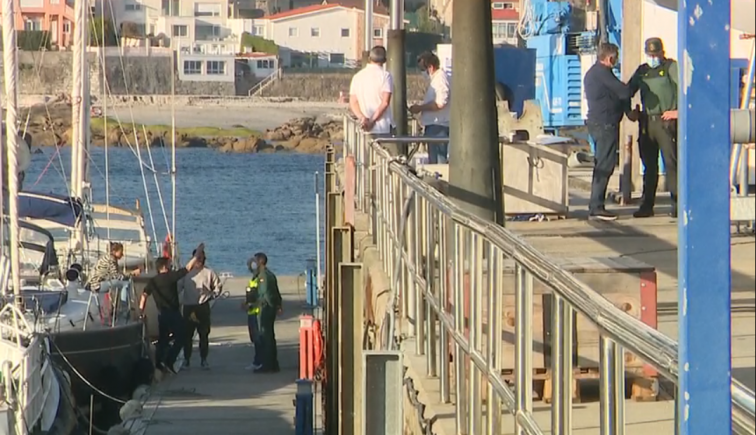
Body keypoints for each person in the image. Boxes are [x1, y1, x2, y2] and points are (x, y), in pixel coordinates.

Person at [627, 37, 679, 218]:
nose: (652, 57)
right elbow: (627, 91)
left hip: (666, 122)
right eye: (649, 54)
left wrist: (678, 112)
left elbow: (686, 90)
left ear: (661, 53)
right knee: (649, 166)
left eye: (655, 54)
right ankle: (647, 205)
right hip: (647, 122)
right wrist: (629, 112)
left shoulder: (671, 68)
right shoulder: (643, 71)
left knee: (671, 163)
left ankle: (677, 204)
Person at [583, 42, 632, 221]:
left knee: (602, 164)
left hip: (598, 123)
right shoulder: (602, 73)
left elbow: (617, 95)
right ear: (610, 58)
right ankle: (596, 207)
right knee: (604, 165)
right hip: (604, 124)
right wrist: (636, 80)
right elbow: (624, 91)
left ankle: (596, 204)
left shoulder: (594, 73)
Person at [139, 244, 203, 374]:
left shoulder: (153, 281)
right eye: (168, 265)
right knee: (182, 337)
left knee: (163, 340)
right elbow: (188, 268)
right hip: (173, 313)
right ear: (164, 267)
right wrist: (197, 255)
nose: (170, 266)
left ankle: (158, 364)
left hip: (161, 314)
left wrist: (141, 311)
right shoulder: (170, 277)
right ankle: (169, 360)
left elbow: (144, 295)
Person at [179, 249, 222, 370]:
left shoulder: (209, 272)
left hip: (202, 306)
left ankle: (204, 359)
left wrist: (212, 296)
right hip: (188, 306)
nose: (199, 261)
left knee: (204, 334)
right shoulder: (186, 273)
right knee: (187, 336)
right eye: (197, 258)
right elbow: (178, 287)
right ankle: (186, 360)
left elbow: (218, 286)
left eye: (201, 258)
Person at [410, 51, 451, 164]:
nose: (422, 72)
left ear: (430, 67)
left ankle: (440, 181)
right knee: (434, 158)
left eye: (423, 69)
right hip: (435, 125)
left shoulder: (440, 79)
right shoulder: (438, 79)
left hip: (439, 125)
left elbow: (440, 103)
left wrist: (420, 108)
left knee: (438, 160)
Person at [349, 46, 394, 143]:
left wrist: (362, 118)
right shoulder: (385, 76)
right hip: (382, 128)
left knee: (365, 156)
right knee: (385, 156)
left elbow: (353, 102)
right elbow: (385, 102)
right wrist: (372, 121)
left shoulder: (357, 77)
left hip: (364, 128)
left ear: (369, 59)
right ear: (385, 60)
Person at [249, 252, 282, 373]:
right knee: (270, 336)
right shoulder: (269, 274)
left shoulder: (263, 277)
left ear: (260, 262)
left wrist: (253, 304)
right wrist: (278, 305)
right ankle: (273, 363)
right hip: (270, 308)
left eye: (255, 261)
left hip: (265, 310)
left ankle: (267, 364)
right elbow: (277, 293)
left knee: (265, 336)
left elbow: (264, 294)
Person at [88, 242, 139, 320]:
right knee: (126, 284)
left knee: (121, 283)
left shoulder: (107, 257)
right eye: (121, 252)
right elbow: (117, 276)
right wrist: (132, 273)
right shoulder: (111, 259)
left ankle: (118, 308)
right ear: (115, 252)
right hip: (98, 285)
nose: (122, 254)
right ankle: (124, 310)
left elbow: (115, 274)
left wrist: (126, 274)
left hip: (95, 284)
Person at [242, 275, 264, 371]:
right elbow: (250, 296)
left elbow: (261, 298)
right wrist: (246, 303)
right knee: (254, 338)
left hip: (257, 313)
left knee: (258, 339)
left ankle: (259, 362)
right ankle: (257, 361)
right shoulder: (253, 280)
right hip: (251, 313)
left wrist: (252, 305)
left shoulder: (261, 280)